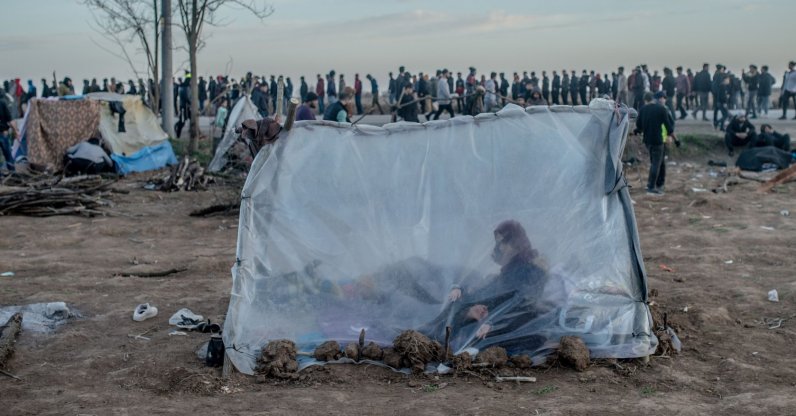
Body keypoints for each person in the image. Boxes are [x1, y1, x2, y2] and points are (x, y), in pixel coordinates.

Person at [421, 220, 549, 352]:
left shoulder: (528, 271)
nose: (500, 247)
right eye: (498, 243)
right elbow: (489, 291)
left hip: (515, 329)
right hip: (494, 319)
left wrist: (491, 321)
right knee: (458, 302)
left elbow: (520, 303)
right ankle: (432, 337)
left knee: (460, 310)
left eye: (503, 242)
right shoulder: (510, 270)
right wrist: (461, 290)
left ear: (515, 243)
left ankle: (434, 340)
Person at [636, 91, 675, 195]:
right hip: (658, 140)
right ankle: (651, 187)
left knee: (659, 162)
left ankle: (659, 184)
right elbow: (669, 126)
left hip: (648, 140)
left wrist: (636, 132)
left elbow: (638, 126)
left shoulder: (643, 109)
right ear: (653, 98)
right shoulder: (661, 109)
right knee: (656, 164)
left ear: (645, 100)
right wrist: (674, 138)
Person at [0, 89, 16, 170]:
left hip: (3, 132)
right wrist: (16, 132)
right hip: (3, 133)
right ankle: (13, 175)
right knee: (8, 156)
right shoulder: (3, 103)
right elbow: (10, 120)